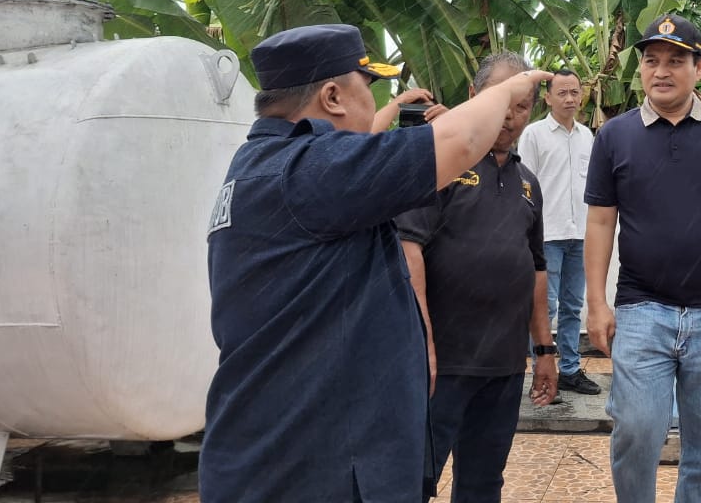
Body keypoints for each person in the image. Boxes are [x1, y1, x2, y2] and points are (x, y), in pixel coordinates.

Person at [200, 25, 553, 503]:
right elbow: (464, 140)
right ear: (332, 96)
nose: (376, 102)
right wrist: (513, 88)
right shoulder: (311, 169)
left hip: (283, 449)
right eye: (368, 86)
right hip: (310, 466)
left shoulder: (265, 164)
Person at [584, 14, 701, 503]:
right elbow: (601, 222)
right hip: (642, 308)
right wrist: (596, 303)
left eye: (675, 60)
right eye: (651, 61)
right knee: (636, 431)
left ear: (698, 67)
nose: (661, 71)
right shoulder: (614, 137)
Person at [396, 51, 558, 502]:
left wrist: (544, 349)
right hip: (441, 366)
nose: (509, 115)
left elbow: (536, 267)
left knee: (483, 484)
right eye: (499, 99)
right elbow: (408, 248)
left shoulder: (529, 183)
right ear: (474, 96)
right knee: (414, 481)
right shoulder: (441, 164)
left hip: (503, 368)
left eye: (521, 104)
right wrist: (422, 341)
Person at [517, 69, 601, 395]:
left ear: (582, 96)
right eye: (561, 92)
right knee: (544, 307)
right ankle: (541, 372)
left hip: (579, 233)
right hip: (546, 235)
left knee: (571, 307)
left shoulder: (587, 137)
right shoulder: (534, 135)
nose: (569, 98)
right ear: (548, 97)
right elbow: (524, 186)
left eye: (574, 92)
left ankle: (568, 370)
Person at [371, 87, 449, 132]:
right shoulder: (397, 144)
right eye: (416, 116)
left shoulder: (449, 141)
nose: (424, 120)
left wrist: (450, 119)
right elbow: (364, 138)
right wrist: (400, 99)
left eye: (431, 115)